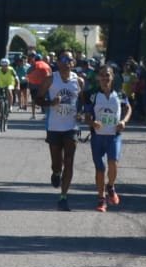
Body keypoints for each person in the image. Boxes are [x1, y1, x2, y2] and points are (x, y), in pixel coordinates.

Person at [36, 50, 84, 211]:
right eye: (63, 59)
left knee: (69, 161)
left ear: (73, 63)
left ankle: (63, 197)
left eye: (69, 59)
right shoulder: (51, 80)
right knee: (57, 163)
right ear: (57, 62)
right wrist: (50, 102)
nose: (66, 62)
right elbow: (38, 99)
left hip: (71, 126)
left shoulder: (79, 81)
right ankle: (56, 173)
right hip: (54, 127)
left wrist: (82, 114)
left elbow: (83, 102)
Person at [88, 64, 130, 212]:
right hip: (97, 137)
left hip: (114, 136)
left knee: (113, 163)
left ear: (112, 77)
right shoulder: (93, 94)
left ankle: (110, 186)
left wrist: (123, 121)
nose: (105, 78)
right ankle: (101, 199)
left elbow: (128, 108)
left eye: (108, 75)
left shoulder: (119, 94)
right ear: (99, 77)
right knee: (100, 168)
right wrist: (92, 122)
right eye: (103, 75)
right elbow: (86, 114)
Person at [0, 58, 18, 131]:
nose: (4, 67)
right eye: (3, 66)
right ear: (1, 65)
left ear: (8, 65)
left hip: (9, 84)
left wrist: (18, 85)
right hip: (0, 85)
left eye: (6, 65)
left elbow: (17, 78)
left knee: (9, 90)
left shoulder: (11, 70)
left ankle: (10, 106)